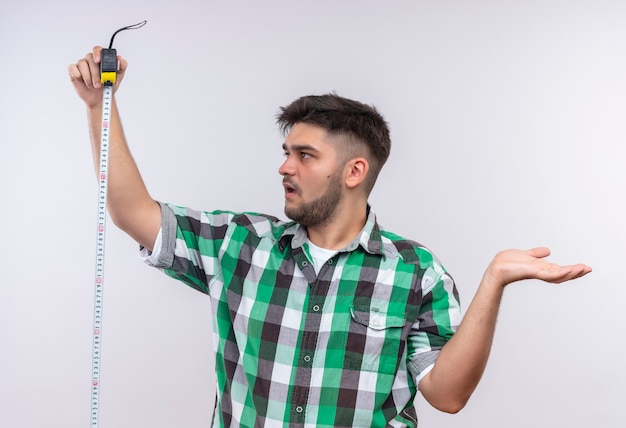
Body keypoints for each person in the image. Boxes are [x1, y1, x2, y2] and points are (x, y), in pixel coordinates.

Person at [69, 47, 592, 428]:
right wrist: (100, 107)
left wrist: (495, 279)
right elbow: (131, 211)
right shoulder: (241, 244)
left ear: (353, 170)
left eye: (304, 155)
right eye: (286, 151)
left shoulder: (416, 273)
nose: (283, 166)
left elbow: (448, 395)